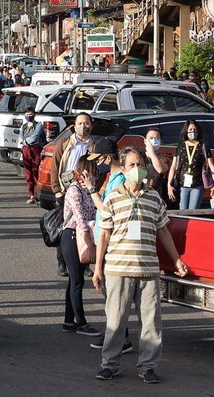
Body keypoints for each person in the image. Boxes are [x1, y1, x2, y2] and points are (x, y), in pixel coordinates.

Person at [93, 147, 188, 383]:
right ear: (123, 170)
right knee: (115, 320)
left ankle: (148, 366)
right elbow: (103, 235)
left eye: (140, 165)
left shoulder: (154, 197)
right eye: (132, 165)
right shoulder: (112, 197)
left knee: (151, 322)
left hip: (147, 270)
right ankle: (110, 365)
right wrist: (97, 268)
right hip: (118, 269)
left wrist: (176, 259)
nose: (137, 170)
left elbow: (163, 231)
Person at [85, 138, 133, 353]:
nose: (97, 163)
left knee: (112, 293)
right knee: (108, 292)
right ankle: (119, 334)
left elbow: (106, 210)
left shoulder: (120, 179)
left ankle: (120, 337)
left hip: (112, 241)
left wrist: (91, 190)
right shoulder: (111, 176)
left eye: (99, 159)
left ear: (108, 157)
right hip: (103, 238)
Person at [59, 156, 102, 337]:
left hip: (84, 235)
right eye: (92, 172)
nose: (95, 176)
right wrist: (89, 243)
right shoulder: (75, 190)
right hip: (72, 235)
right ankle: (81, 323)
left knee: (74, 281)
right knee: (77, 281)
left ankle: (69, 321)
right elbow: (79, 218)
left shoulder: (89, 190)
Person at [50, 113, 95, 277]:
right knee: (65, 228)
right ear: (74, 126)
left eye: (86, 123)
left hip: (86, 193)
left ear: (91, 125)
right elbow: (54, 167)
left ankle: (86, 260)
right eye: (80, 123)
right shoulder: (65, 143)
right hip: (66, 192)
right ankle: (62, 262)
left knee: (86, 226)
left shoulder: (93, 147)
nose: (84, 126)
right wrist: (57, 190)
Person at [167, 120, 214, 210]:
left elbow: (211, 166)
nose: (193, 132)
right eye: (190, 129)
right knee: (182, 210)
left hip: (197, 184)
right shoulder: (181, 146)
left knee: (193, 210)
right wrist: (169, 185)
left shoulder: (203, 146)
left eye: (195, 130)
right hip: (183, 184)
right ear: (186, 130)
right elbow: (173, 167)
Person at [20, 107, 46, 204]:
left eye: (30, 115)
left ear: (34, 115)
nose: (28, 117)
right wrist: (24, 141)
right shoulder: (23, 126)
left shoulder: (38, 125)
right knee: (28, 174)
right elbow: (20, 137)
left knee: (36, 172)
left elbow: (34, 138)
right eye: (26, 115)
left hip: (36, 150)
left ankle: (39, 194)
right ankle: (32, 195)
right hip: (26, 150)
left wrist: (24, 141)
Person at [143, 128, 171, 198]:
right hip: (140, 194)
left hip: (155, 196)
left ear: (160, 141)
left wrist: (151, 152)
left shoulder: (164, 158)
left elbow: (160, 169)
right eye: (151, 138)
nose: (154, 140)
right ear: (145, 141)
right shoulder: (139, 157)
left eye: (157, 138)